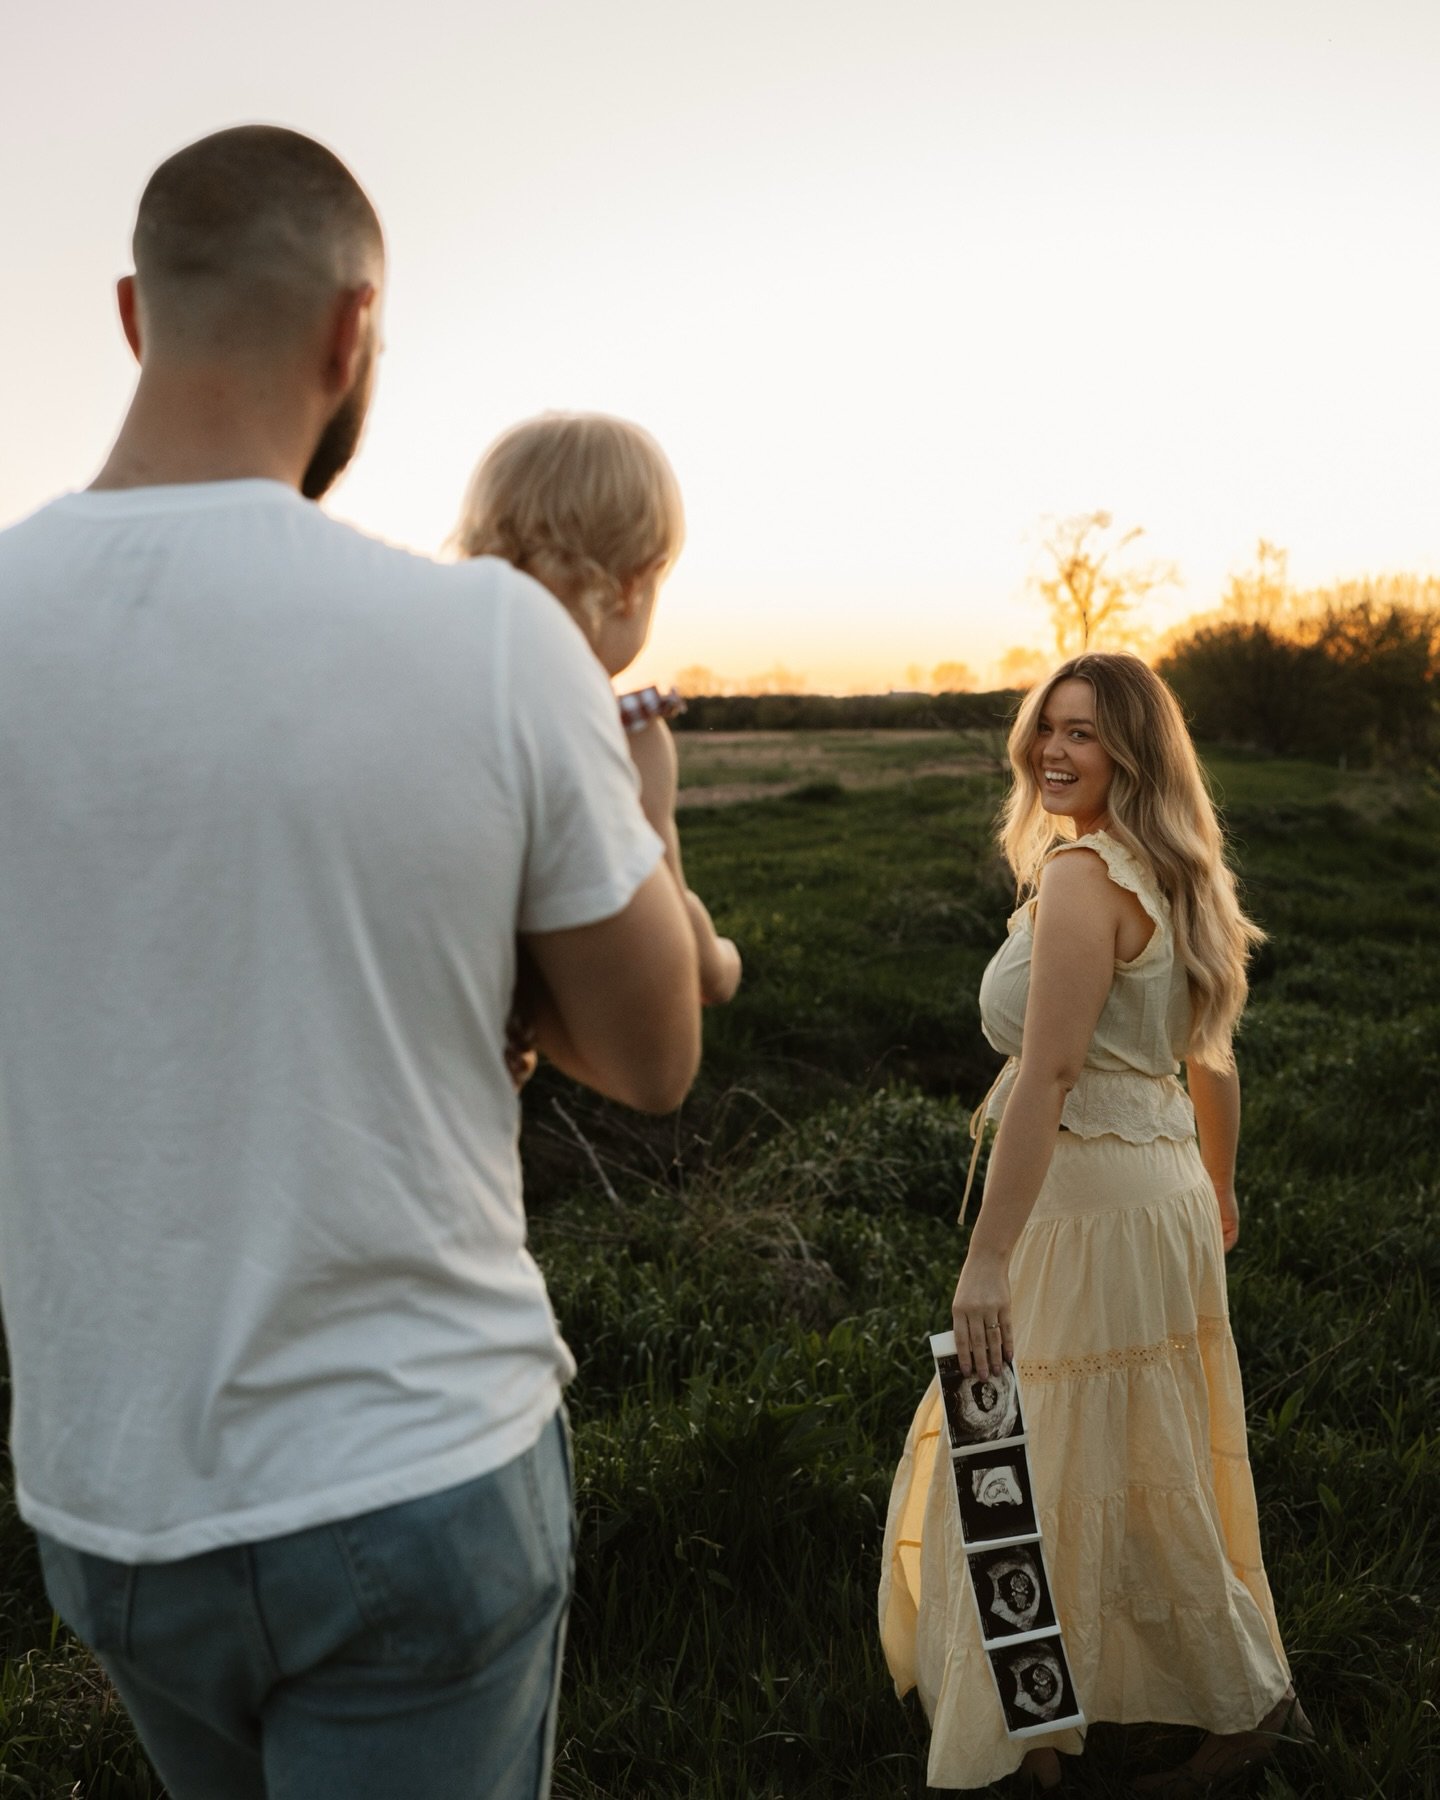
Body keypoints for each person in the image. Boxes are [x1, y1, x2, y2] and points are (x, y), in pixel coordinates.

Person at [0, 126, 701, 1800]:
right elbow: (654, 1054)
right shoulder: (492, 642)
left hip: (112, 1495)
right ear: (353, 331)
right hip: (415, 1471)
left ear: (129, 314)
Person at [878, 653, 1310, 1794]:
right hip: (1159, 1192)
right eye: (1046, 731)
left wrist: (986, 1257)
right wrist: (1216, 1185)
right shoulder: (1180, 872)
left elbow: (1051, 1072)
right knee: (1135, 1447)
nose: (1055, 754)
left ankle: (1029, 1733)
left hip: (1089, 1203)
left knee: (1018, 1451)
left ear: (1134, 752)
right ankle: (1202, 1701)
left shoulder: (1083, 877)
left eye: (1085, 735)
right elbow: (1207, 1054)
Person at [451, 412, 742, 1007]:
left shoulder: (437, 693)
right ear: (633, 586)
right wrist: (720, 964)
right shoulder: (629, 734)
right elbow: (666, 914)